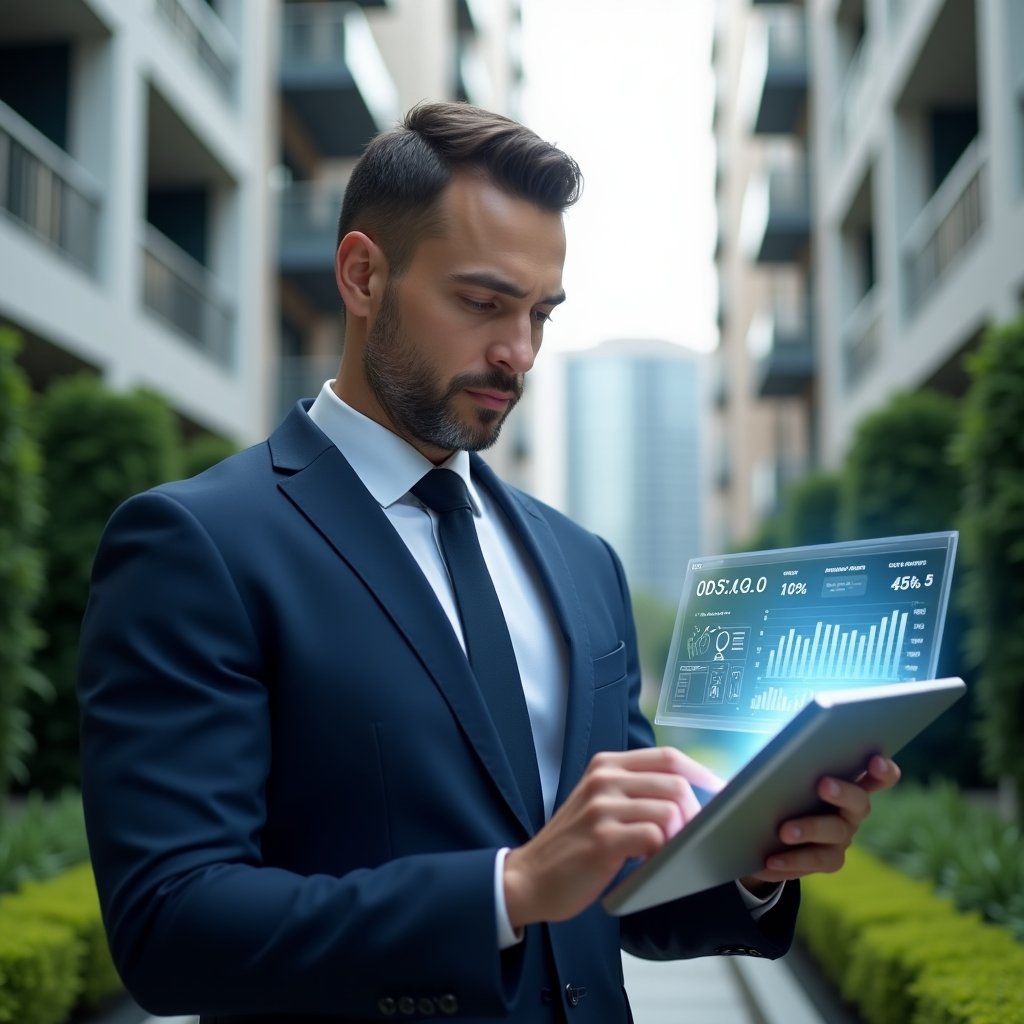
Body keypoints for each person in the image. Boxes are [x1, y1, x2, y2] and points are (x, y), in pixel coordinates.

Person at [77, 102, 899, 1024]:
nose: (519, 352)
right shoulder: (197, 545)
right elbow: (169, 926)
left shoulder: (581, 562)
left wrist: (748, 863)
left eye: (541, 313)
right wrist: (506, 890)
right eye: (482, 302)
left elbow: (619, 889)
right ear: (361, 275)